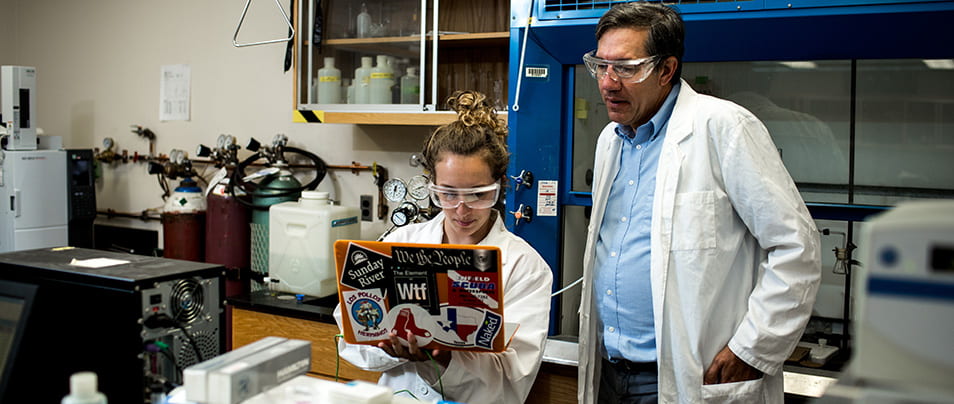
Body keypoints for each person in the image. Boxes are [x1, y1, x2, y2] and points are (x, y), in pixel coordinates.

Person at [577, 3, 822, 403]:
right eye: (601, 66)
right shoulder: (610, 140)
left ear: (666, 69)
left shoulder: (724, 128)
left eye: (625, 68)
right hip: (610, 372)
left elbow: (797, 247)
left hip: (685, 374)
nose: (607, 82)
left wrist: (751, 349)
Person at [335, 90, 554, 403]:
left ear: (501, 185)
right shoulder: (401, 241)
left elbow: (509, 384)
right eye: (448, 195)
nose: (462, 210)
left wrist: (442, 359)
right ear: (431, 186)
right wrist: (389, 348)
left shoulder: (525, 267)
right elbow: (349, 336)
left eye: (478, 194)